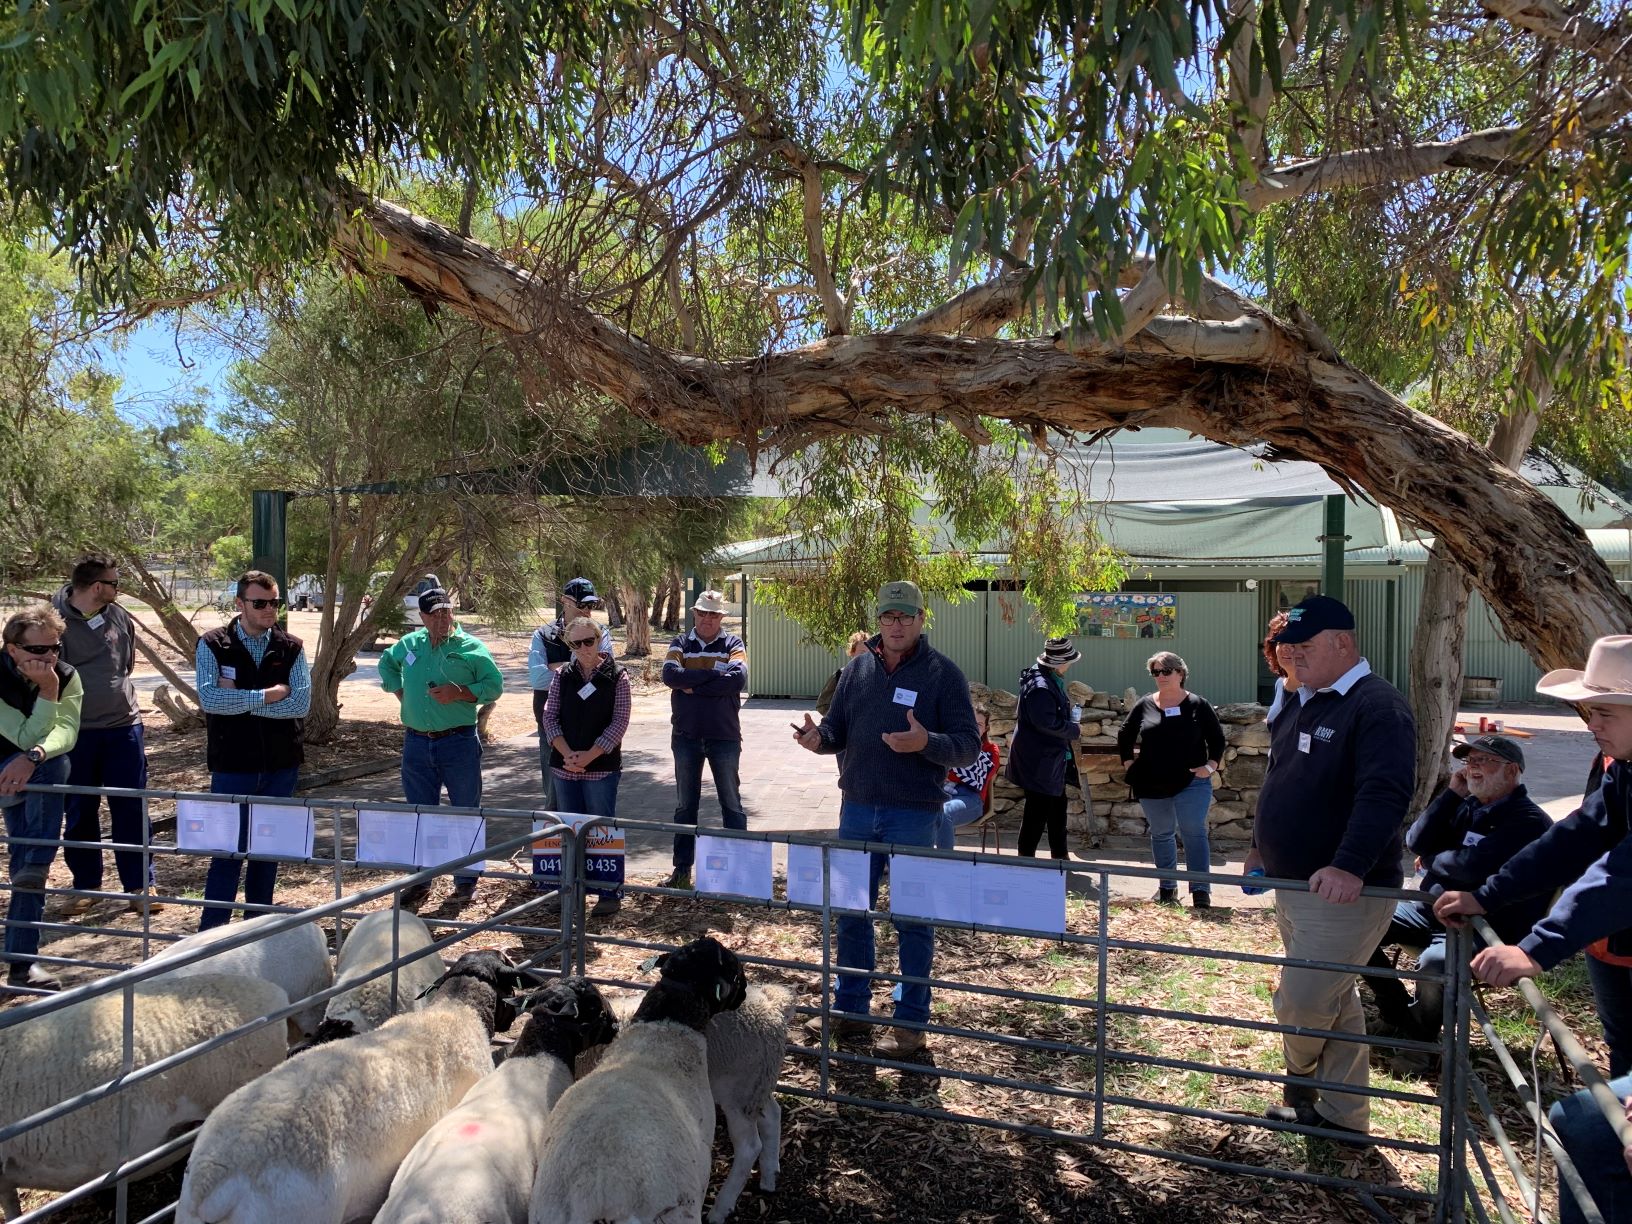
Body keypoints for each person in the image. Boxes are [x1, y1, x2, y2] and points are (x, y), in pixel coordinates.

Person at [1246, 594, 1415, 1141]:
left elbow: (1385, 794)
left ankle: (1299, 1083)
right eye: (1286, 646)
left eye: (1304, 645)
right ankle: (1344, 1117)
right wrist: (1259, 847)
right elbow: (1280, 776)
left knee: (1304, 1000)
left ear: (1343, 642)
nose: (1291, 655)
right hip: (1294, 884)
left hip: (1344, 891)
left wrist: (1349, 866)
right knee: (1335, 1001)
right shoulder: (1305, 698)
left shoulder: (1377, 706)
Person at [792, 580, 979, 1056]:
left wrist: (926, 743)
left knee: (913, 919)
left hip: (914, 815)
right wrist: (818, 740)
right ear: (879, 621)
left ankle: (910, 1022)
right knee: (852, 914)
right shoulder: (857, 669)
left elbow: (967, 746)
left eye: (905, 616)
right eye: (888, 617)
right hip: (856, 809)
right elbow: (837, 730)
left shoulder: (943, 675)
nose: (896, 625)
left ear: (921, 619)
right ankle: (851, 1010)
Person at [1435, 635, 1632, 1078]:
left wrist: (1538, 947)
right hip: (1613, 936)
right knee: (1623, 1045)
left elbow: (1623, 873)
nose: (1591, 725)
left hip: (1613, 918)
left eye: (1604, 712)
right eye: (1589, 712)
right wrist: (1487, 896)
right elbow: (1575, 838)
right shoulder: (1622, 767)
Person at [1363, 735, 1550, 1038]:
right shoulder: (1468, 805)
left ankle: (1420, 1044)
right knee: (1357, 923)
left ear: (1512, 770)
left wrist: (1431, 859)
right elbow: (1415, 841)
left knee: (1435, 964)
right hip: (1428, 910)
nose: (1472, 768)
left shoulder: (1528, 821)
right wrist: (1451, 795)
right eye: (1469, 760)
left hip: (1480, 926)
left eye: (1483, 761)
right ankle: (1396, 1012)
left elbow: (1469, 868)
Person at [194, 571, 311, 931]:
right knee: (226, 853)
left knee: (266, 853)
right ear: (240, 604)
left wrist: (241, 701)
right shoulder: (212, 643)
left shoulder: (292, 647)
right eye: (260, 603)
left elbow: (300, 704)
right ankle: (210, 938)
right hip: (232, 765)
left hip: (281, 766)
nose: (269, 609)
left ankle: (256, 932)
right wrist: (268, 695)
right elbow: (210, 699)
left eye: (274, 602)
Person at [378, 587, 505, 910]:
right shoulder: (410, 644)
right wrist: (401, 694)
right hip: (416, 743)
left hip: (458, 742)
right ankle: (421, 880)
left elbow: (494, 686)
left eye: (446, 612)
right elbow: (387, 664)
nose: (442, 619)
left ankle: (466, 881)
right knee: (420, 814)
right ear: (422, 617)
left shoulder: (471, 647)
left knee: (465, 812)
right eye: (434, 614)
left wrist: (460, 692)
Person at [52, 554, 160, 914]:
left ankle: (140, 886)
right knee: (80, 809)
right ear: (97, 587)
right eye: (115, 583)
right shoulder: (53, 622)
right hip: (75, 732)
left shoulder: (118, 615)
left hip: (123, 728)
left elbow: (125, 665)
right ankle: (86, 886)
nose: (119, 588)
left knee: (130, 807)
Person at [1, 605, 83, 993]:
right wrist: (48, 692)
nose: (48, 657)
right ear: (12, 649)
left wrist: (34, 756)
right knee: (49, 767)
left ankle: (21, 965)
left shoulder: (67, 675)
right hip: (6, 768)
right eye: (37, 650)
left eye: (54, 648)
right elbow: (22, 734)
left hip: (30, 778)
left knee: (27, 867)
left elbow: (65, 732)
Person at [1118, 651, 1225, 908]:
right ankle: (1167, 887)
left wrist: (1210, 767)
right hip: (1152, 781)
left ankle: (1200, 889)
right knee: (1162, 833)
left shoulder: (1198, 704)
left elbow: (1217, 739)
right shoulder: (1144, 704)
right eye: (1156, 672)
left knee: (1193, 831)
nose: (1161, 676)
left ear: (1180, 673)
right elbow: (1125, 733)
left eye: (1166, 671)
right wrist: (1129, 763)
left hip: (1192, 781)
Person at [541, 616, 632, 918]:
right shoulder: (562, 676)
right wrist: (568, 754)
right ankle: (570, 890)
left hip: (601, 769)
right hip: (564, 768)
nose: (583, 648)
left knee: (601, 832)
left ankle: (608, 893)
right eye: (576, 643)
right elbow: (549, 717)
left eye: (588, 641)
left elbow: (619, 722)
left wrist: (590, 756)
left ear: (599, 639)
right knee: (569, 831)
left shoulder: (618, 676)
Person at [659, 590, 748, 891]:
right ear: (694, 614)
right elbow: (670, 676)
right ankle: (681, 872)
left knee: (731, 805)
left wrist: (693, 685)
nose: (707, 619)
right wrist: (713, 677)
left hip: (724, 737)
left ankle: (739, 874)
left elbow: (738, 679)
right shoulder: (680, 643)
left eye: (714, 614)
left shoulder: (733, 644)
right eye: (702, 613)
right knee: (685, 807)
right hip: (686, 737)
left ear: (721, 617)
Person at [527, 577, 612, 808]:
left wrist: (557, 668)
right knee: (554, 803)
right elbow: (537, 679)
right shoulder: (542, 635)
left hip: (594, 733)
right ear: (565, 601)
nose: (587, 610)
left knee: (597, 806)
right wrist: (579, 667)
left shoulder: (601, 633)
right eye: (582, 604)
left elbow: (605, 676)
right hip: (553, 732)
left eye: (591, 605)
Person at [1005, 638, 1084, 862]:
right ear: (1060, 663)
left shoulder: (1043, 678)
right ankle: (1026, 860)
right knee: (1037, 812)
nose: (1070, 665)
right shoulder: (1041, 687)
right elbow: (1046, 723)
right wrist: (1073, 729)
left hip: (1046, 758)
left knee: (1057, 807)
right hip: (1040, 761)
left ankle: (1060, 856)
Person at [937, 706, 999, 849]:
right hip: (943, 793)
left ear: (986, 729)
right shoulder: (954, 741)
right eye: (971, 722)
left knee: (944, 812)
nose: (973, 727)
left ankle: (943, 860)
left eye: (979, 725)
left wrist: (950, 771)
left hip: (971, 798)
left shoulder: (991, 750)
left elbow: (983, 774)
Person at [816, 631, 869, 718]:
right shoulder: (840, 675)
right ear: (852, 652)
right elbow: (822, 705)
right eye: (862, 652)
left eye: (869, 653)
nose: (866, 656)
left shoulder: (877, 676)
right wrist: (838, 719)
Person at [1262, 610, 1301, 723]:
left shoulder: (1320, 689)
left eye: (1293, 641)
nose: (1285, 647)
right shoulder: (1280, 684)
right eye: (1281, 641)